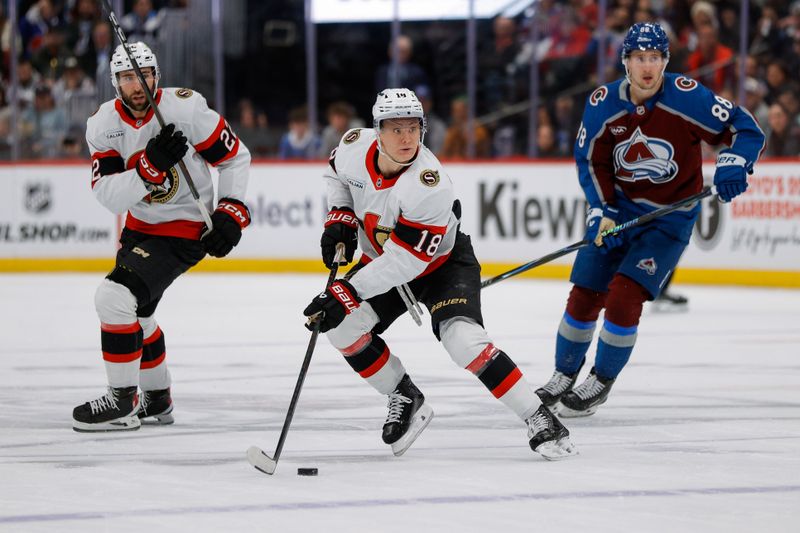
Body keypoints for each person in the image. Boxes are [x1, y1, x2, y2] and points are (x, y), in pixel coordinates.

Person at [301, 88, 576, 460]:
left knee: (463, 341)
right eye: (395, 129)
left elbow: (407, 263)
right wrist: (341, 216)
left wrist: (348, 290)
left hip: (441, 265)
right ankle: (403, 395)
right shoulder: (353, 147)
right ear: (377, 130)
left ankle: (539, 416)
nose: (406, 138)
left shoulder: (429, 183)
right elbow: (335, 176)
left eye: (413, 128)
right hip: (385, 260)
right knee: (340, 326)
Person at [535, 22, 764, 418]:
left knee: (625, 295)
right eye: (640, 57)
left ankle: (601, 379)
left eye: (655, 57)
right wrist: (600, 211)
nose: (648, 66)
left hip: (668, 219)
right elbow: (591, 161)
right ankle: (563, 373)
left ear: (665, 61)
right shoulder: (602, 102)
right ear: (625, 61)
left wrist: (733, 161)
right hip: (620, 213)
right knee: (584, 293)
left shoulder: (687, 98)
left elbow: (745, 127)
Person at [73, 42, 251, 432]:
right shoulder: (103, 125)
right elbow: (108, 195)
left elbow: (235, 156)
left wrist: (232, 211)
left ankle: (122, 400)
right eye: (127, 77)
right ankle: (157, 398)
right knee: (138, 311)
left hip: (185, 230)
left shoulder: (186, 110)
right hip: (140, 228)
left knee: (114, 296)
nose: (137, 85)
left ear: (157, 76)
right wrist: (149, 169)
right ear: (114, 83)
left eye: (144, 75)